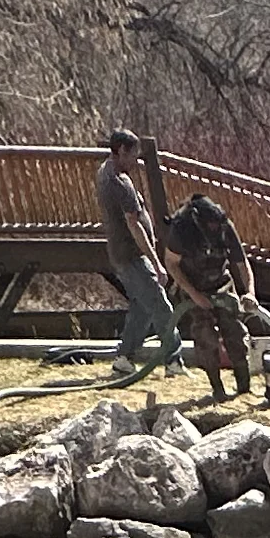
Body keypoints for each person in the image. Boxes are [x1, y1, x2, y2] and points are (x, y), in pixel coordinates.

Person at [164, 186, 270, 407]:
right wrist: (195, 296)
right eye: (211, 226)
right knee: (206, 337)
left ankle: (244, 387)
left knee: (234, 332)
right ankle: (217, 389)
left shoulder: (225, 228)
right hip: (193, 286)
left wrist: (249, 293)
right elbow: (172, 264)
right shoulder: (182, 229)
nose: (215, 229)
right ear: (200, 222)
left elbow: (241, 263)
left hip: (221, 285)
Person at [96, 129, 186, 379]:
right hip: (131, 255)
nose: (136, 160)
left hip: (122, 254)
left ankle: (124, 358)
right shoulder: (118, 182)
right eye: (133, 154)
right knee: (159, 303)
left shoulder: (107, 171)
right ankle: (173, 361)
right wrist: (157, 264)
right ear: (121, 151)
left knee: (141, 307)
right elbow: (133, 224)